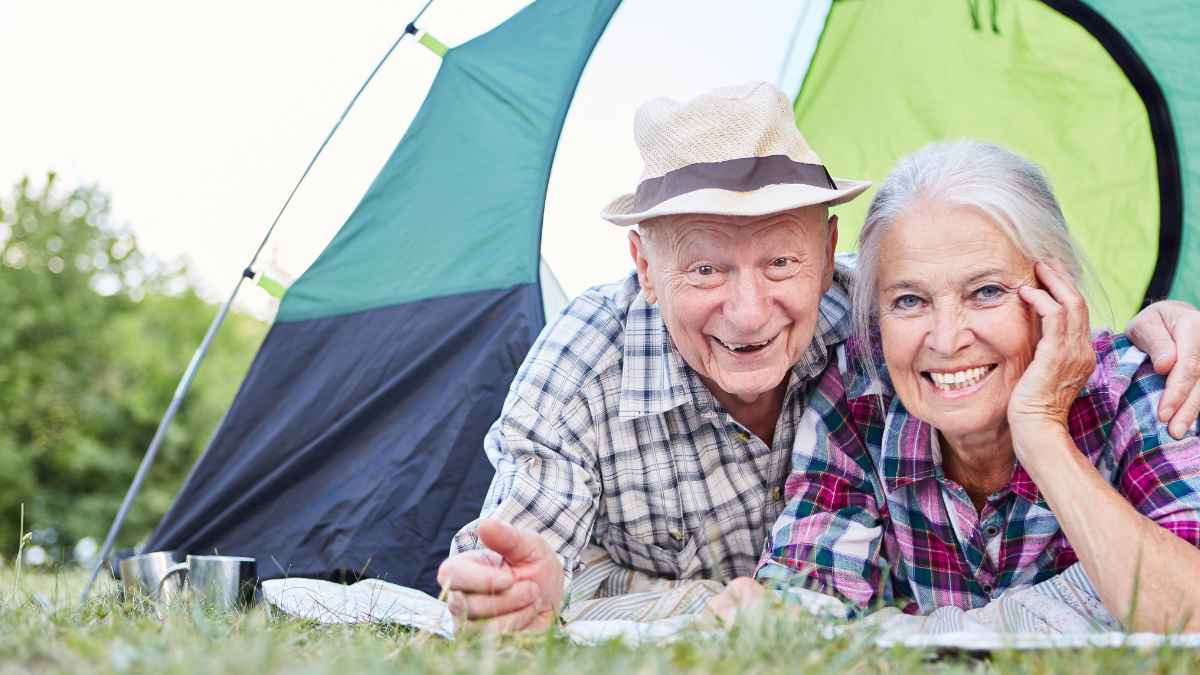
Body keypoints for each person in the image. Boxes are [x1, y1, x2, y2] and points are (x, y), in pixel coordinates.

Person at [438, 84, 1200, 634]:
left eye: (779, 262)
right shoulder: (861, 393)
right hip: (638, 607)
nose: (748, 310)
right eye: (706, 268)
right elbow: (798, 601)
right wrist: (504, 591)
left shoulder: (1134, 385)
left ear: (827, 252)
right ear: (643, 263)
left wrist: (1060, 412)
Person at [713, 140, 1200, 632]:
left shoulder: (1144, 388)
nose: (946, 341)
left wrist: (1042, 433)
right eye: (909, 300)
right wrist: (774, 612)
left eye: (986, 292)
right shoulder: (861, 397)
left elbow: (1191, 617)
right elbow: (805, 600)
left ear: (1060, 292)